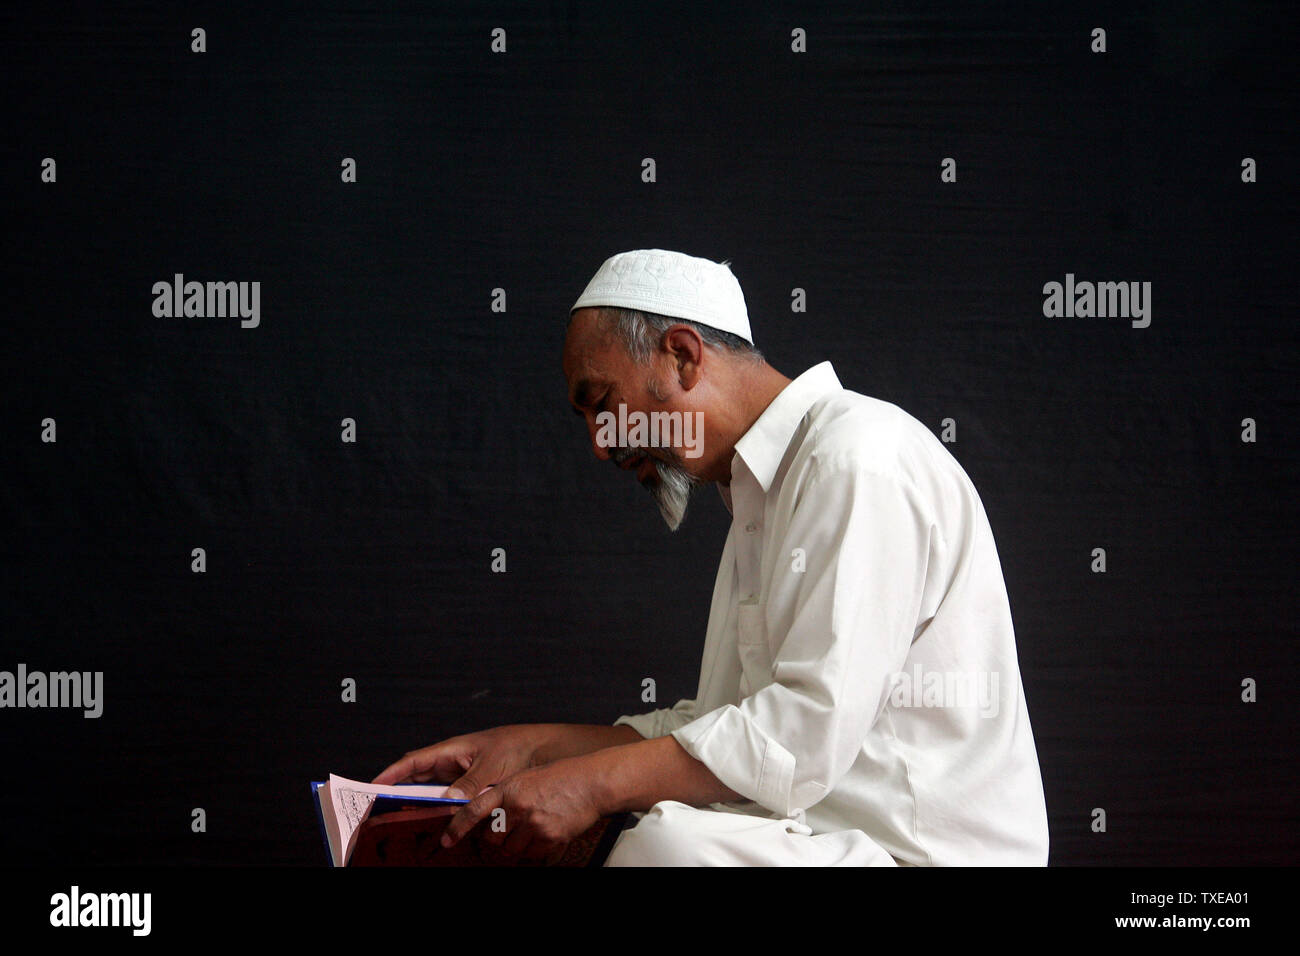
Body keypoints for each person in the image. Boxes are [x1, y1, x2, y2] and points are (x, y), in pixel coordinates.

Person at [374, 249, 1050, 866]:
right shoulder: (763, 494)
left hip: (919, 856)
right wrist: (533, 748)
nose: (601, 446)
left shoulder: (856, 460)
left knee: (667, 847)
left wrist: (588, 786)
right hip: (826, 842)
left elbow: (799, 735)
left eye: (602, 404)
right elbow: (721, 728)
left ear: (683, 356)